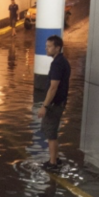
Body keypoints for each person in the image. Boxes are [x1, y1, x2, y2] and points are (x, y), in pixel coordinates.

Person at [37, 35, 72, 170]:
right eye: (46, 46)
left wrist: (44, 106)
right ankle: (55, 158)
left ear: (58, 48)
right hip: (58, 103)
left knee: (51, 134)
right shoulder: (62, 61)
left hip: (54, 105)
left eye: (49, 46)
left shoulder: (57, 64)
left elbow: (53, 87)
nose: (46, 48)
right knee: (51, 132)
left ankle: (53, 163)